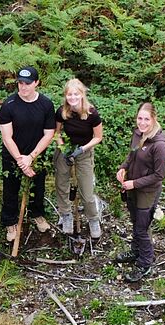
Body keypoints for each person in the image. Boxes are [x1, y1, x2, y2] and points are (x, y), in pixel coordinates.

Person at [0, 66, 56, 242]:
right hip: (13, 156)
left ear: (36, 83)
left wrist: (31, 157)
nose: (23, 87)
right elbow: (7, 137)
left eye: (27, 83)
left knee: (38, 187)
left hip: (37, 156)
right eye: (20, 83)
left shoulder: (46, 104)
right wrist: (21, 161)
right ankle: (10, 221)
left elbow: (49, 134)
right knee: (10, 189)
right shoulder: (8, 105)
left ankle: (37, 214)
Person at [115, 102, 165, 282]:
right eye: (140, 118)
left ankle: (145, 263)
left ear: (154, 119)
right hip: (132, 186)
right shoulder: (138, 134)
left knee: (141, 228)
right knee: (135, 221)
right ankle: (136, 251)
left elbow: (159, 175)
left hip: (147, 191)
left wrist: (135, 183)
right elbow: (131, 155)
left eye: (146, 119)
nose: (142, 123)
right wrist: (123, 168)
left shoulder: (159, 145)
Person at [54, 78, 104, 238]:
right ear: (65, 95)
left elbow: (98, 137)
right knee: (62, 184)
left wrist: (81, 149)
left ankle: (93, 219)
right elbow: (57, 133)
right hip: (66, 150)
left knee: (86, 191)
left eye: (76, 94)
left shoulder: (91, 113)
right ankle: (66, 215)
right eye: (69, 94)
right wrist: (64, 149)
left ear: (82, 94)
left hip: (84, 151)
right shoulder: (62, 112)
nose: (73, 97)